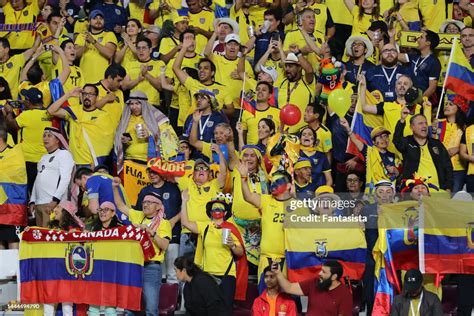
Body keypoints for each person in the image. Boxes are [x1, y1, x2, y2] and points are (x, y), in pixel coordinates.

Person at [112, 178, 171, 316]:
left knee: (151, 308)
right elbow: (120, 206)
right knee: (130, 306)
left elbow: (165, 245)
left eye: (149, 202)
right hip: (134, 265)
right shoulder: (138, 216)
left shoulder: (164, 223)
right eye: (144, 202)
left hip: (152, 267)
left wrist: (152, 233)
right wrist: (115, 187)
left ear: (158, 206)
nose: (145, 205)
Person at [181, 191, 246, 312]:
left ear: (225, 212)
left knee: (225, 310)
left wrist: (232, 245)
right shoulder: (204, 226)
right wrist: (184, 201)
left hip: (227, 275)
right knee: (209, 310)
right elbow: (185, 223)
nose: (217, 210)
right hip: (208, 275)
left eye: (220, 208)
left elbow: (240, 252)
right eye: (214, 208)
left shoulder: (231, 228)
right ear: (210, 212)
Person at [47, 85, 115, 168]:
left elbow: (107, 143)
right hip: (73, 162)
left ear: (96, 97)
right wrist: (68, 95)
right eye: (84, 94)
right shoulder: (74, 111)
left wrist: (98, 162)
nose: (87, 97)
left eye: (90, 94)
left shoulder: (103, 115)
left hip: (92, 163)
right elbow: (51, 111)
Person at [136, 163, 181, 284]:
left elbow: (185, 208)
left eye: (155, 171)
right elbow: (139, 213)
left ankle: (171, 302)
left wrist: (174, 220)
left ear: (162, 172)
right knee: (160, 273)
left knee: (173, 273)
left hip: (173, 234)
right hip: (151, 239)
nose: (152, 174)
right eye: (149, 172)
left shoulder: (173, 188)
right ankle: (158, 301)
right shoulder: (145, 191)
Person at [3, 88, 53, 193]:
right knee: (41, 191)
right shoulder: (49, 114)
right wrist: (23, 103)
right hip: (45, 159)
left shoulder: (27, 115)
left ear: (29, 101)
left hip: (28, 159)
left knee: (28, 190)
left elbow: (10, 126)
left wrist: (9, 112)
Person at [393, 111, 453, 191]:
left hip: (438, 190)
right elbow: (396, 140)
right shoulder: (407, 142)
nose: (424, 126)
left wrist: (448, 187)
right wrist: (402, 120)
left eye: (425, 123)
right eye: (420, 123)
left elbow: (448, 166)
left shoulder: (436, 144)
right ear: (412, 127)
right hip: (416, 191)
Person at [30, 127, 75, 227]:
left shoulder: (64, 154)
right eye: (44, 136)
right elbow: (38, 179)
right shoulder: (43, 157)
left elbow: (65, 179)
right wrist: (33, 200)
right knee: (39, 238)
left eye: (49, 136)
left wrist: (55, 200)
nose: (45, 138)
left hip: (52, 204)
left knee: (49, 236)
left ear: (58, 140)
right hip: (39, 203)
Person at [272, 259, 353, 315]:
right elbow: (289, 288)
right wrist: (278, 273)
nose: (319, 273)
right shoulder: (314, 282)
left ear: (334, 277)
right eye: (321, 270)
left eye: (324, 272)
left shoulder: (345, 294)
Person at [87, 201, 121, 316]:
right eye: (100, 210)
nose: (102, 213)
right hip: (95, 270)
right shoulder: (93, 229)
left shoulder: (120, 230)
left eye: (106, 210)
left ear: (113, 213)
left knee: (110, 307)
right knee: (93, 306)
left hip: (112, 271)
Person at [432, 95, 468, 193]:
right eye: (446, 104)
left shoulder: (465, 127)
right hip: (440, 166)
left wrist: (458, 149)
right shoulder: (438, 123)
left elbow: (470, 146)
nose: (446, 106)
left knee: (455, 197)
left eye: (451, 104)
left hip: (458, 168)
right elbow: (430, 144)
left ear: (459, 108)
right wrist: (433, 131)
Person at [74, 10, 118, 83]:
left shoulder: (109, 35)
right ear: (89, 22)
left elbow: (109, 53)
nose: (98, 20)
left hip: (102, 80)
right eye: (95, 18)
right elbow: (75, 55)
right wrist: (85, 46)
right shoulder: (81, 36)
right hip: (84, 80)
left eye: (101, 18)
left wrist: (93, 41)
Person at [121, 38, 165, 108]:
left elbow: (160, 87)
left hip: (152, 104)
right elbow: (124, 86)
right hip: (134, 105)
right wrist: (138, 80)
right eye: (138, 48)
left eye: (144, 48)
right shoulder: (129, 64)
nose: (141, 51)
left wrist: (146, 75)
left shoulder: (159, 63)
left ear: (150, 50)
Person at [278, 52, 315, 133]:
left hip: (301, 132)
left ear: (299, 67)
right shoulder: (281, 83)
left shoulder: (307, 81)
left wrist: (298, 53)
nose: (287, 69)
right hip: (281, 132)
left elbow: (309, 71)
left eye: (290, 66)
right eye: (286, 66)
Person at [398, 30, 441, 99]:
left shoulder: (434, 62)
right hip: (406, 98)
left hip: (419, 102)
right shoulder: (415, 56)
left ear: (428, 43)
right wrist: (391, 38)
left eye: (421, 37)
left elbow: (432, 88)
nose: (418, 40)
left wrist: (419, 101)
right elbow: (393, 55)